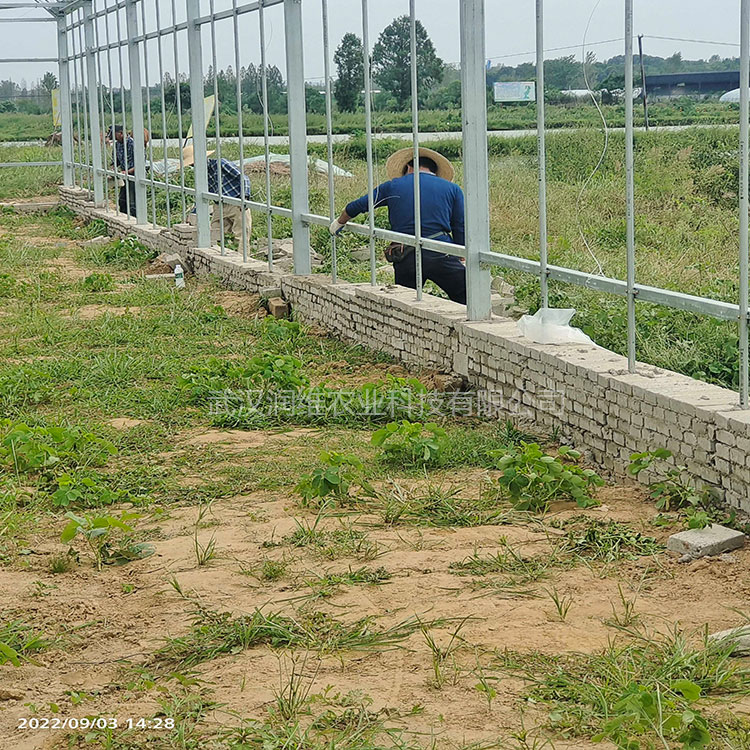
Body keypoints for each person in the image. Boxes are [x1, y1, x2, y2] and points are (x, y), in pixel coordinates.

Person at [329, 146, 467, 304]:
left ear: (408, 167)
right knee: (466, 296)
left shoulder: (392, 186)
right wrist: (461, 254)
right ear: (433, 170)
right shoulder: (453, 189)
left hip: (405, 254)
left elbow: (356, 206)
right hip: (440, 252)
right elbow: (460, 225)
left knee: (406, 303)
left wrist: (339, 223)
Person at [182, 145, 252, 246]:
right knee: (216, 235)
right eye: (192, 165)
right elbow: (202, 194)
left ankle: (241, 259)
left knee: (241, 237)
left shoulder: (221, 164)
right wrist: (193, 213)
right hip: (219, 206)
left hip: (236, 204)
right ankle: (221, 256)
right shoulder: (202, 174)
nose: (194, 166)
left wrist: (244, 198)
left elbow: (243, 178)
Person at [107, 125, 136, 217]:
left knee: (132, 201)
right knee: (122, 200)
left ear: (121, 133)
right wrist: (113, 169)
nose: (113, 138)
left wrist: (128, 172)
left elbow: (140, 164)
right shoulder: (117, 144)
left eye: (115, 135)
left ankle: (134, 219)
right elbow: (115, 161)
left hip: (134, 175)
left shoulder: (132, 144)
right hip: (124, 174)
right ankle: (124, 217)